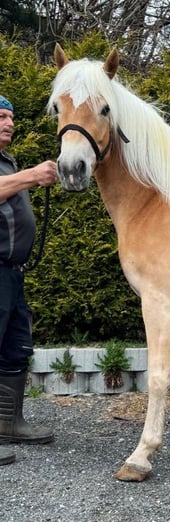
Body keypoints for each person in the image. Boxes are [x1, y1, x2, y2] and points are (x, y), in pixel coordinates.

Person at [0, 95, 58, 465]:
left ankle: (7, 422)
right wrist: (32, 176)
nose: (9, 123)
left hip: (11, 273)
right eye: (0, 117)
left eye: (10, 117)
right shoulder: (15, 170)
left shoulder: (7, 161)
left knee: (16, 349)